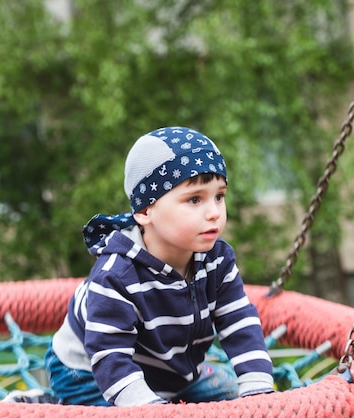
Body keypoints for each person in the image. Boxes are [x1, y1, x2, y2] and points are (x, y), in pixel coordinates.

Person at [46, 126, 274, 406]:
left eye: (219, 196)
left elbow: (238, 321)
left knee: (227, 393)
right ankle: (40, 402)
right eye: (194, 200)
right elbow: (109, 355)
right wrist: (152, 410)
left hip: (170, 373)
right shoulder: (117, 275)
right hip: (88, 374)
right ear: (144, 211)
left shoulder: (217, 259)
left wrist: (258, 386)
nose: (214, 212)